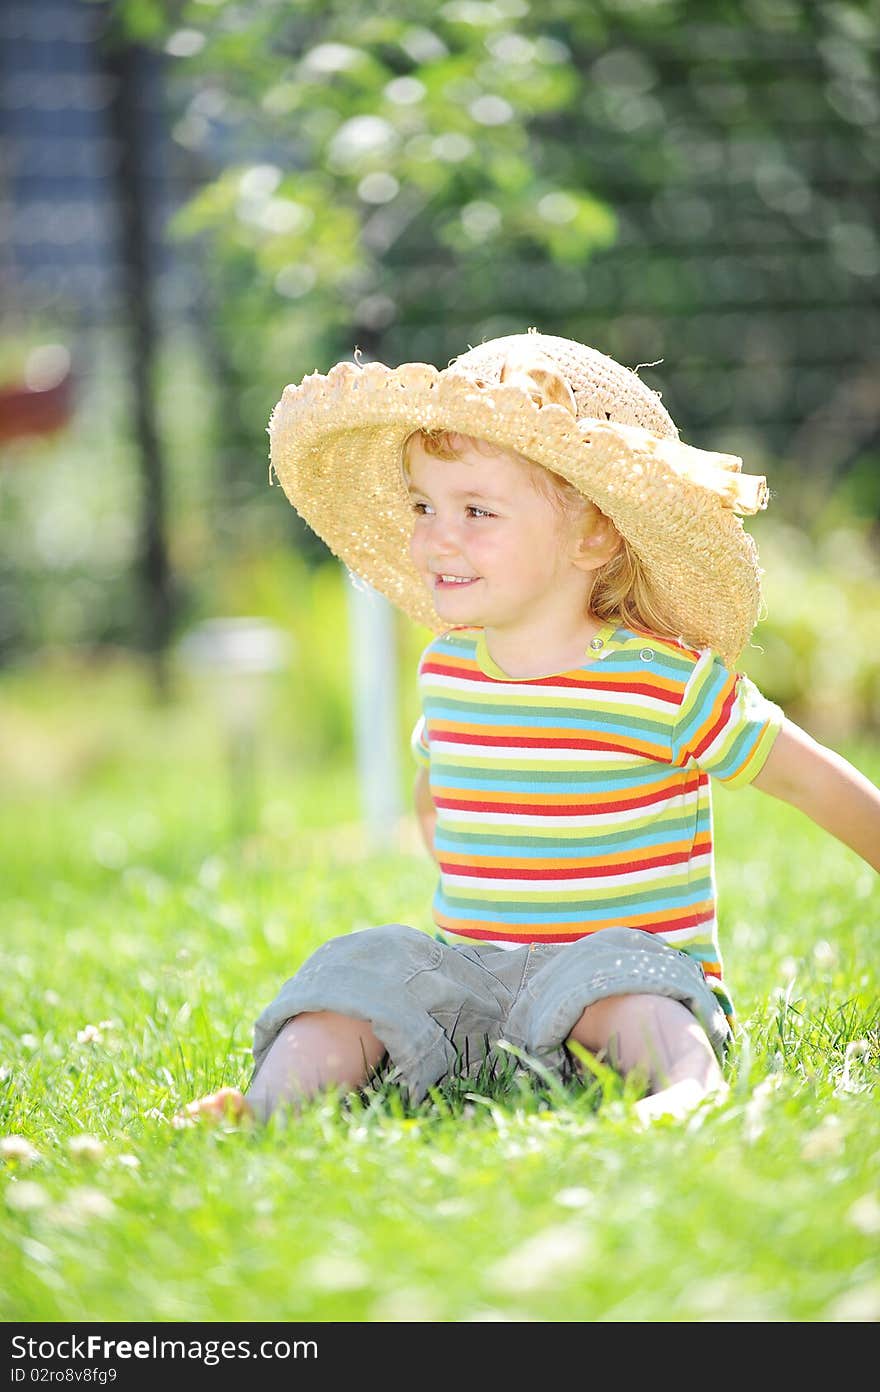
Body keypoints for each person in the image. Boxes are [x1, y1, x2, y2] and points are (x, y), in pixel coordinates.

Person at [181, 330, 880, 1128]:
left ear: (593, 535)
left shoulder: (664, 682)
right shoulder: (448, 671)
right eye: (424, 506)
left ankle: (687, 1089)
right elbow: (438, 795)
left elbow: (811, 778)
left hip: (610, 979)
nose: (437, 536)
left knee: (633, 988)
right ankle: (269, 1105)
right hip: (475, 981)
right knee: (361, 968)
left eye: (477, 510)